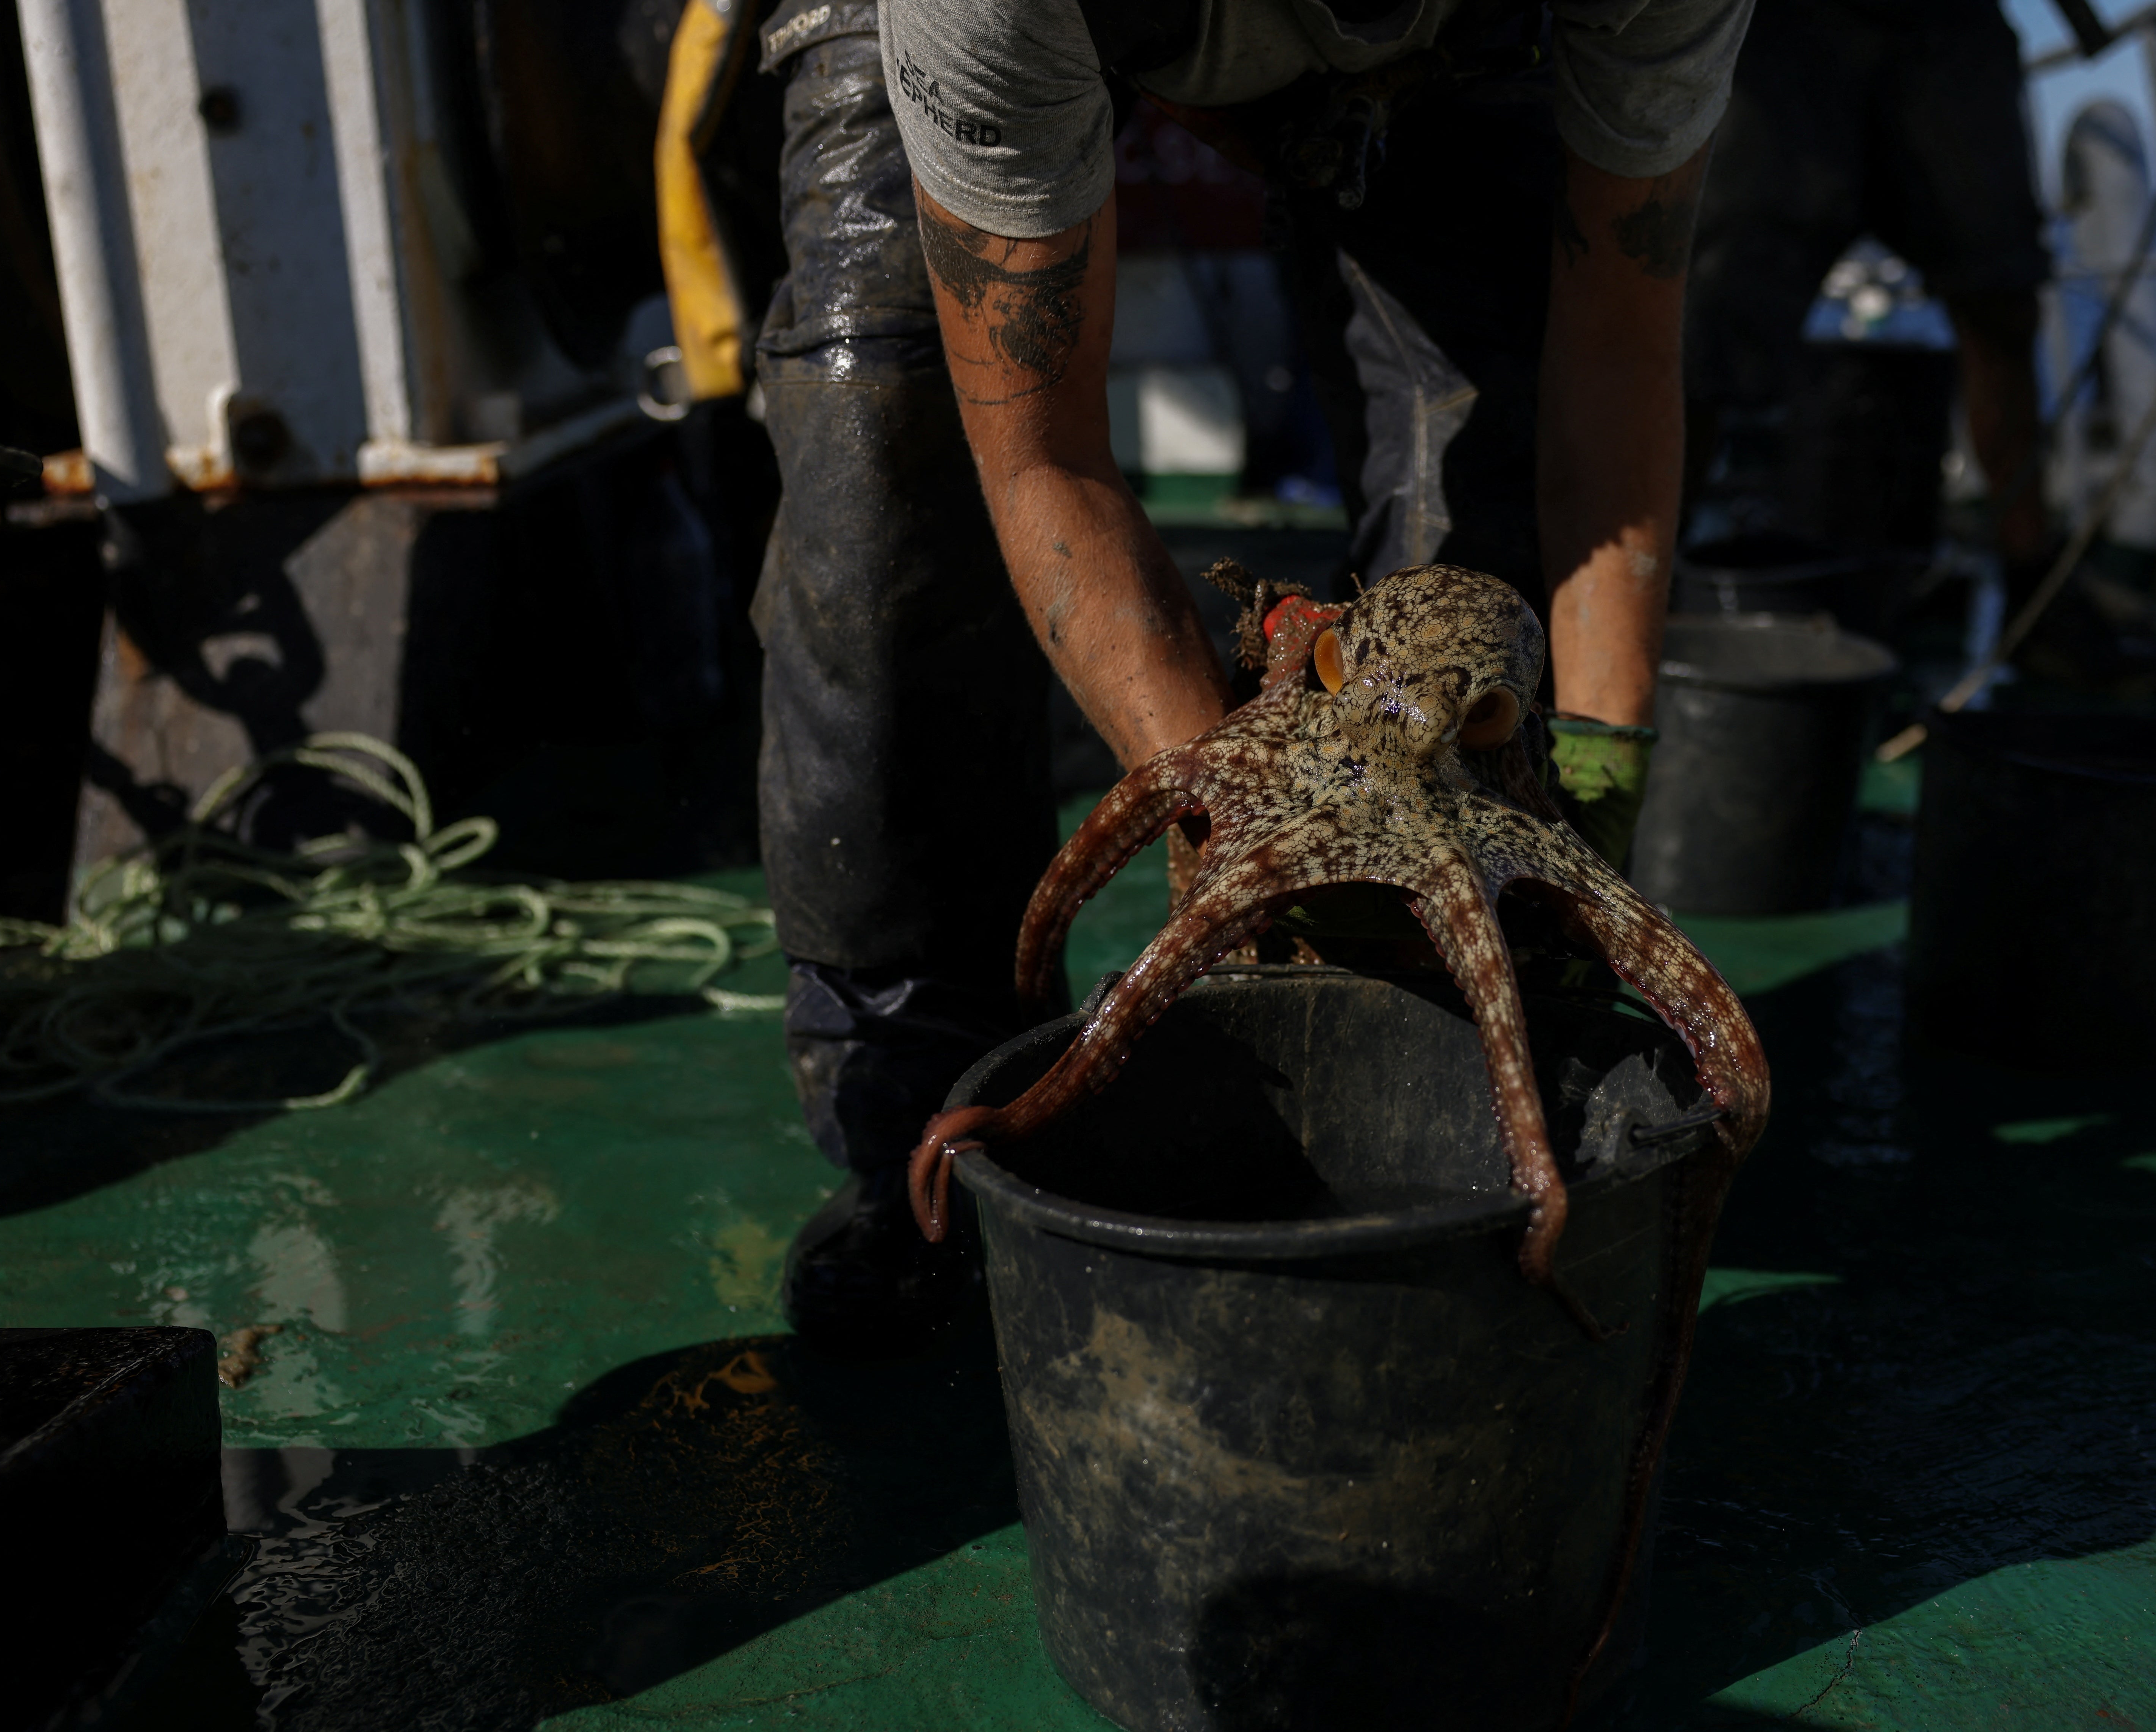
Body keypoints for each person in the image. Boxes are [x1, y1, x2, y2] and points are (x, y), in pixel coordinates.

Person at [749, 0, 1753, 1347]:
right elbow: (1042, 454)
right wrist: (1251, 810)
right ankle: (922, 1130)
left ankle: (1438, 1088)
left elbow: (1616, 350)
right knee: (887, 456)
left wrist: (1589, 772)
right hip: (986, 36)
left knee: (1483, 495)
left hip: (1457, 55)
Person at [1681, 0, 2051, 577]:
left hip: (1948, 29)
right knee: (1700, 324)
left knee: (2003, 300)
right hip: (1775, 32)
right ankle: (1646, 579)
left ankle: (2035, 581)